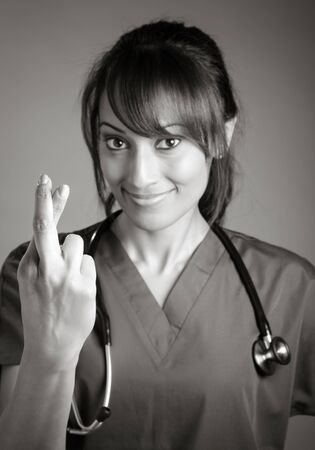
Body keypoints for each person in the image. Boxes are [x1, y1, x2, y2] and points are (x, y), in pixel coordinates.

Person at [0, 19, 314, 450]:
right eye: (116, 142)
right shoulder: (39, 274)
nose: (139, 176)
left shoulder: (290, 287)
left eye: (167, 142)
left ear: (221, 136)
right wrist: (49, 357)